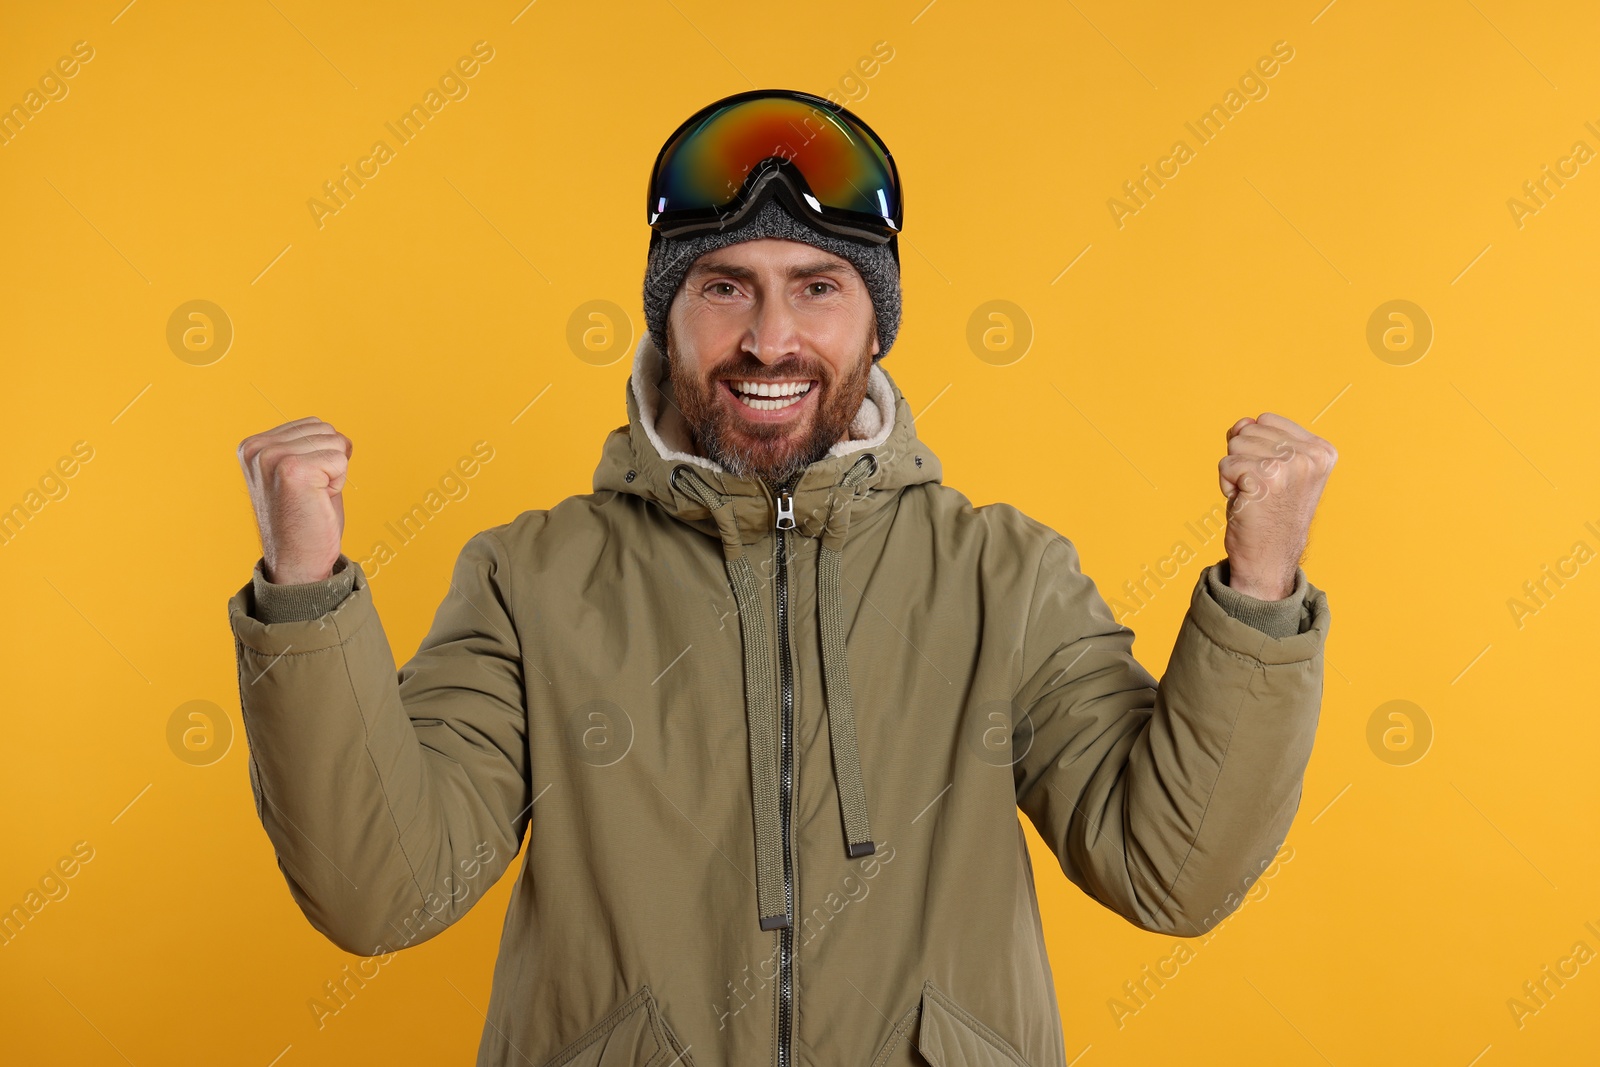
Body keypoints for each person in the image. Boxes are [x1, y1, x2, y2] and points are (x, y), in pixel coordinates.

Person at [228, 88, 1335, 1067]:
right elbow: (384, 891)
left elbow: (1169, 873)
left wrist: (1260, 584)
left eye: (816, 286)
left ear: (875, 322)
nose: (768, 339)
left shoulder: (1005, 575)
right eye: (723, 286)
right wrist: (305, 589)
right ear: (668, 312)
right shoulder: (531, 578)